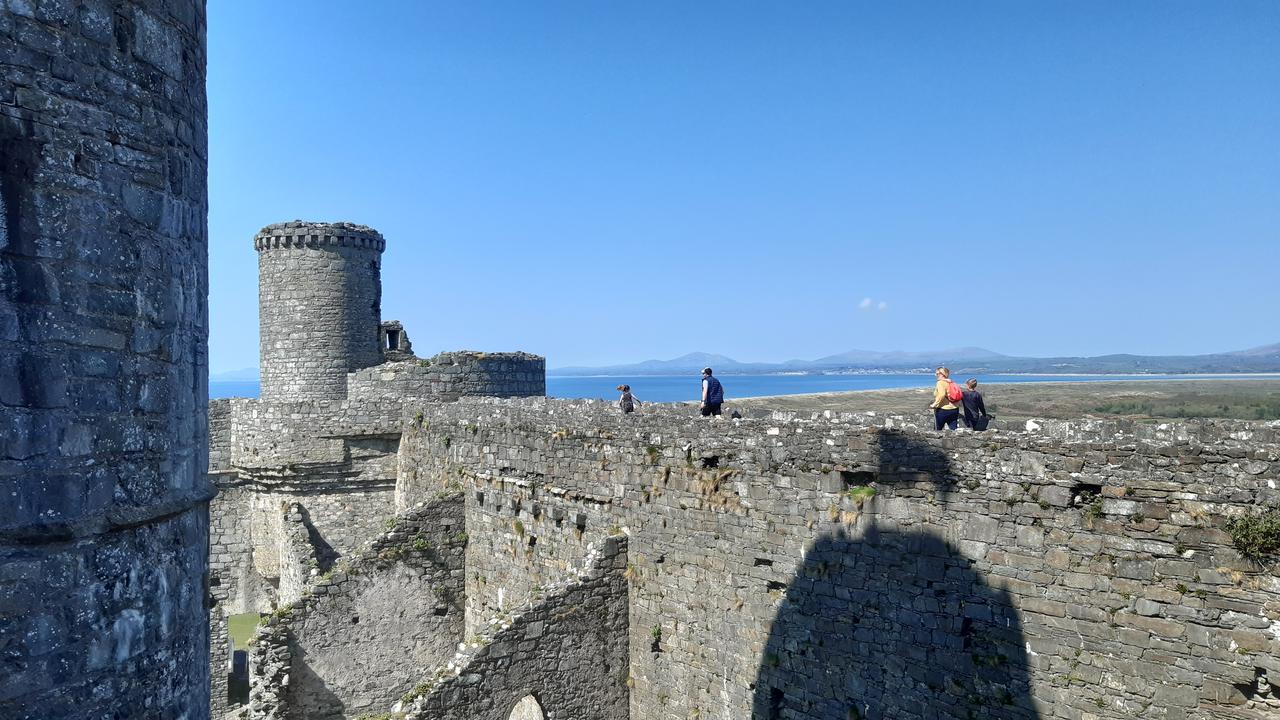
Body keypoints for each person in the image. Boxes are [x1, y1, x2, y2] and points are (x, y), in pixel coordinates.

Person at [929, 366, 960, 431]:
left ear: (942, 374)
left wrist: (934, 404)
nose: (935, 375)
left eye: (937, 374)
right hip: (955, 409)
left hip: (943, 410)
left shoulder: (940, 383)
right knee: (953, 430)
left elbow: (942, 394)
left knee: (937, 430)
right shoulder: (951, 382)